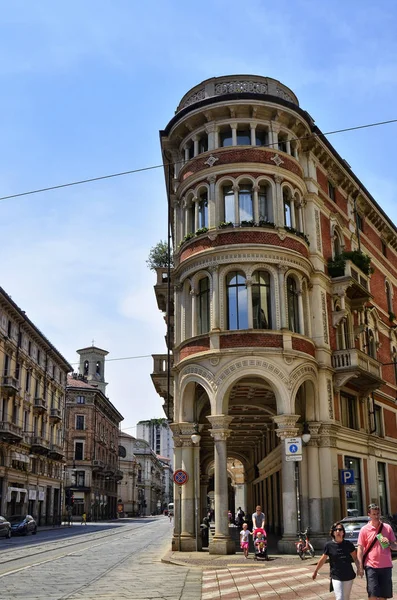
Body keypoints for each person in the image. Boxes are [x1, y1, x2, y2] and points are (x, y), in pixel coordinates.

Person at [357, 503, 397, 600]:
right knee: (373, 595)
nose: (376, 516)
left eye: (378, 514)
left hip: (386, 566)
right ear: (369, 515)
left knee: (384, 596)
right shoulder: (364, 529)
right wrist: (360, 567)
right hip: (371, 567)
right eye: (374, 514)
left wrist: (389, 543)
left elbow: (395, 547)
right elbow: (360, 549)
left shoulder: (387, 528)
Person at [312, 521, 359, 600]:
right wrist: (316, 571)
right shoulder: (329, 545)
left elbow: (355, 558)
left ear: (343, 532)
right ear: (333, 533)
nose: (338, 531)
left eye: (340, 530)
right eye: (336, 530)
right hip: (336, 575)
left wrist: (359, 568)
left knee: (346, 598)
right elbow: (323, 559)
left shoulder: (348, 544)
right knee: (340, 598)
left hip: (348, 575)